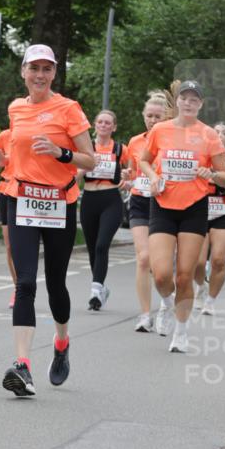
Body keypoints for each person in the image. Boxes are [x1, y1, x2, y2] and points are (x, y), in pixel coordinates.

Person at [0, 45, 94, 397]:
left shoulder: (68, 109)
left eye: (47, 69)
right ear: (23, 72)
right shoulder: (16, 108)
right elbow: (18, 152)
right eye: (34, 68)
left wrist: (61, 153)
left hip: (59, 200)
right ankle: (23, 366)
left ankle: (61, 342)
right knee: (25, 282)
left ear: (54, 73)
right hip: (22, 198)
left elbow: (89, 160)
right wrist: (2, 159)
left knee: (56, 284)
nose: (40, 75)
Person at [139, 80, 225, 354]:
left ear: (200, 104)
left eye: (194, 99)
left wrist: (211, 175)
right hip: (164, 205)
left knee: (184, 275)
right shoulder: (160, 130)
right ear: (177, 101)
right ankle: (167, 303)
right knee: (161, 275)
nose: (189, 102)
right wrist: (154, 177)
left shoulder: (208, 135)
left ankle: (181, 332)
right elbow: (144, 160)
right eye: (185, 98)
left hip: (194, 208)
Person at [124, 91, 174, 332]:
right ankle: (145, 314)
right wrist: (127, 177)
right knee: (143, 258)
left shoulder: (173, 140)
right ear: (143, 116)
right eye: (149, 116)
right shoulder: (134, 142)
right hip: (140, 201)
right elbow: (133, 172)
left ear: (166, 117)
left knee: (160, 264)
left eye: (158, 116)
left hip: (165, 203)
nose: (153, 120)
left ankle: (166, 302)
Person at [78, 109, 128, 310]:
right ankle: (100, 288)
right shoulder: (86, 148)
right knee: (92, 249)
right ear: (95, 125)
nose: (104, 125)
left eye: (108, 123)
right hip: (89, 199)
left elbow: (133, 170)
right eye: (100, 122)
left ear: (114, 127)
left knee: (101, 245)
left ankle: (95, 290)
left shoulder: (120, 149)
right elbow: (74, 176)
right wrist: (86, 167)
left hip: (111, 200)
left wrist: (127, 177)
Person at [193, 122, 225, 314]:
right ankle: (201, 286)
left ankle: (211, 301)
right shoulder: (199, 159)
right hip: (199, 211)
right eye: (216, 132)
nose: (219, 135)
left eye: (224, 133)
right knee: (197, 262)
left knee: (219, 261)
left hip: (221, 213)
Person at [0, 126, 17, 307]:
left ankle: (26, 285)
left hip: (27, 192)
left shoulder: (35, 133)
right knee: (10, 246)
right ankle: (18, 288)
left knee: (22, 245)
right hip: (7, 189)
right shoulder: (4, 136)